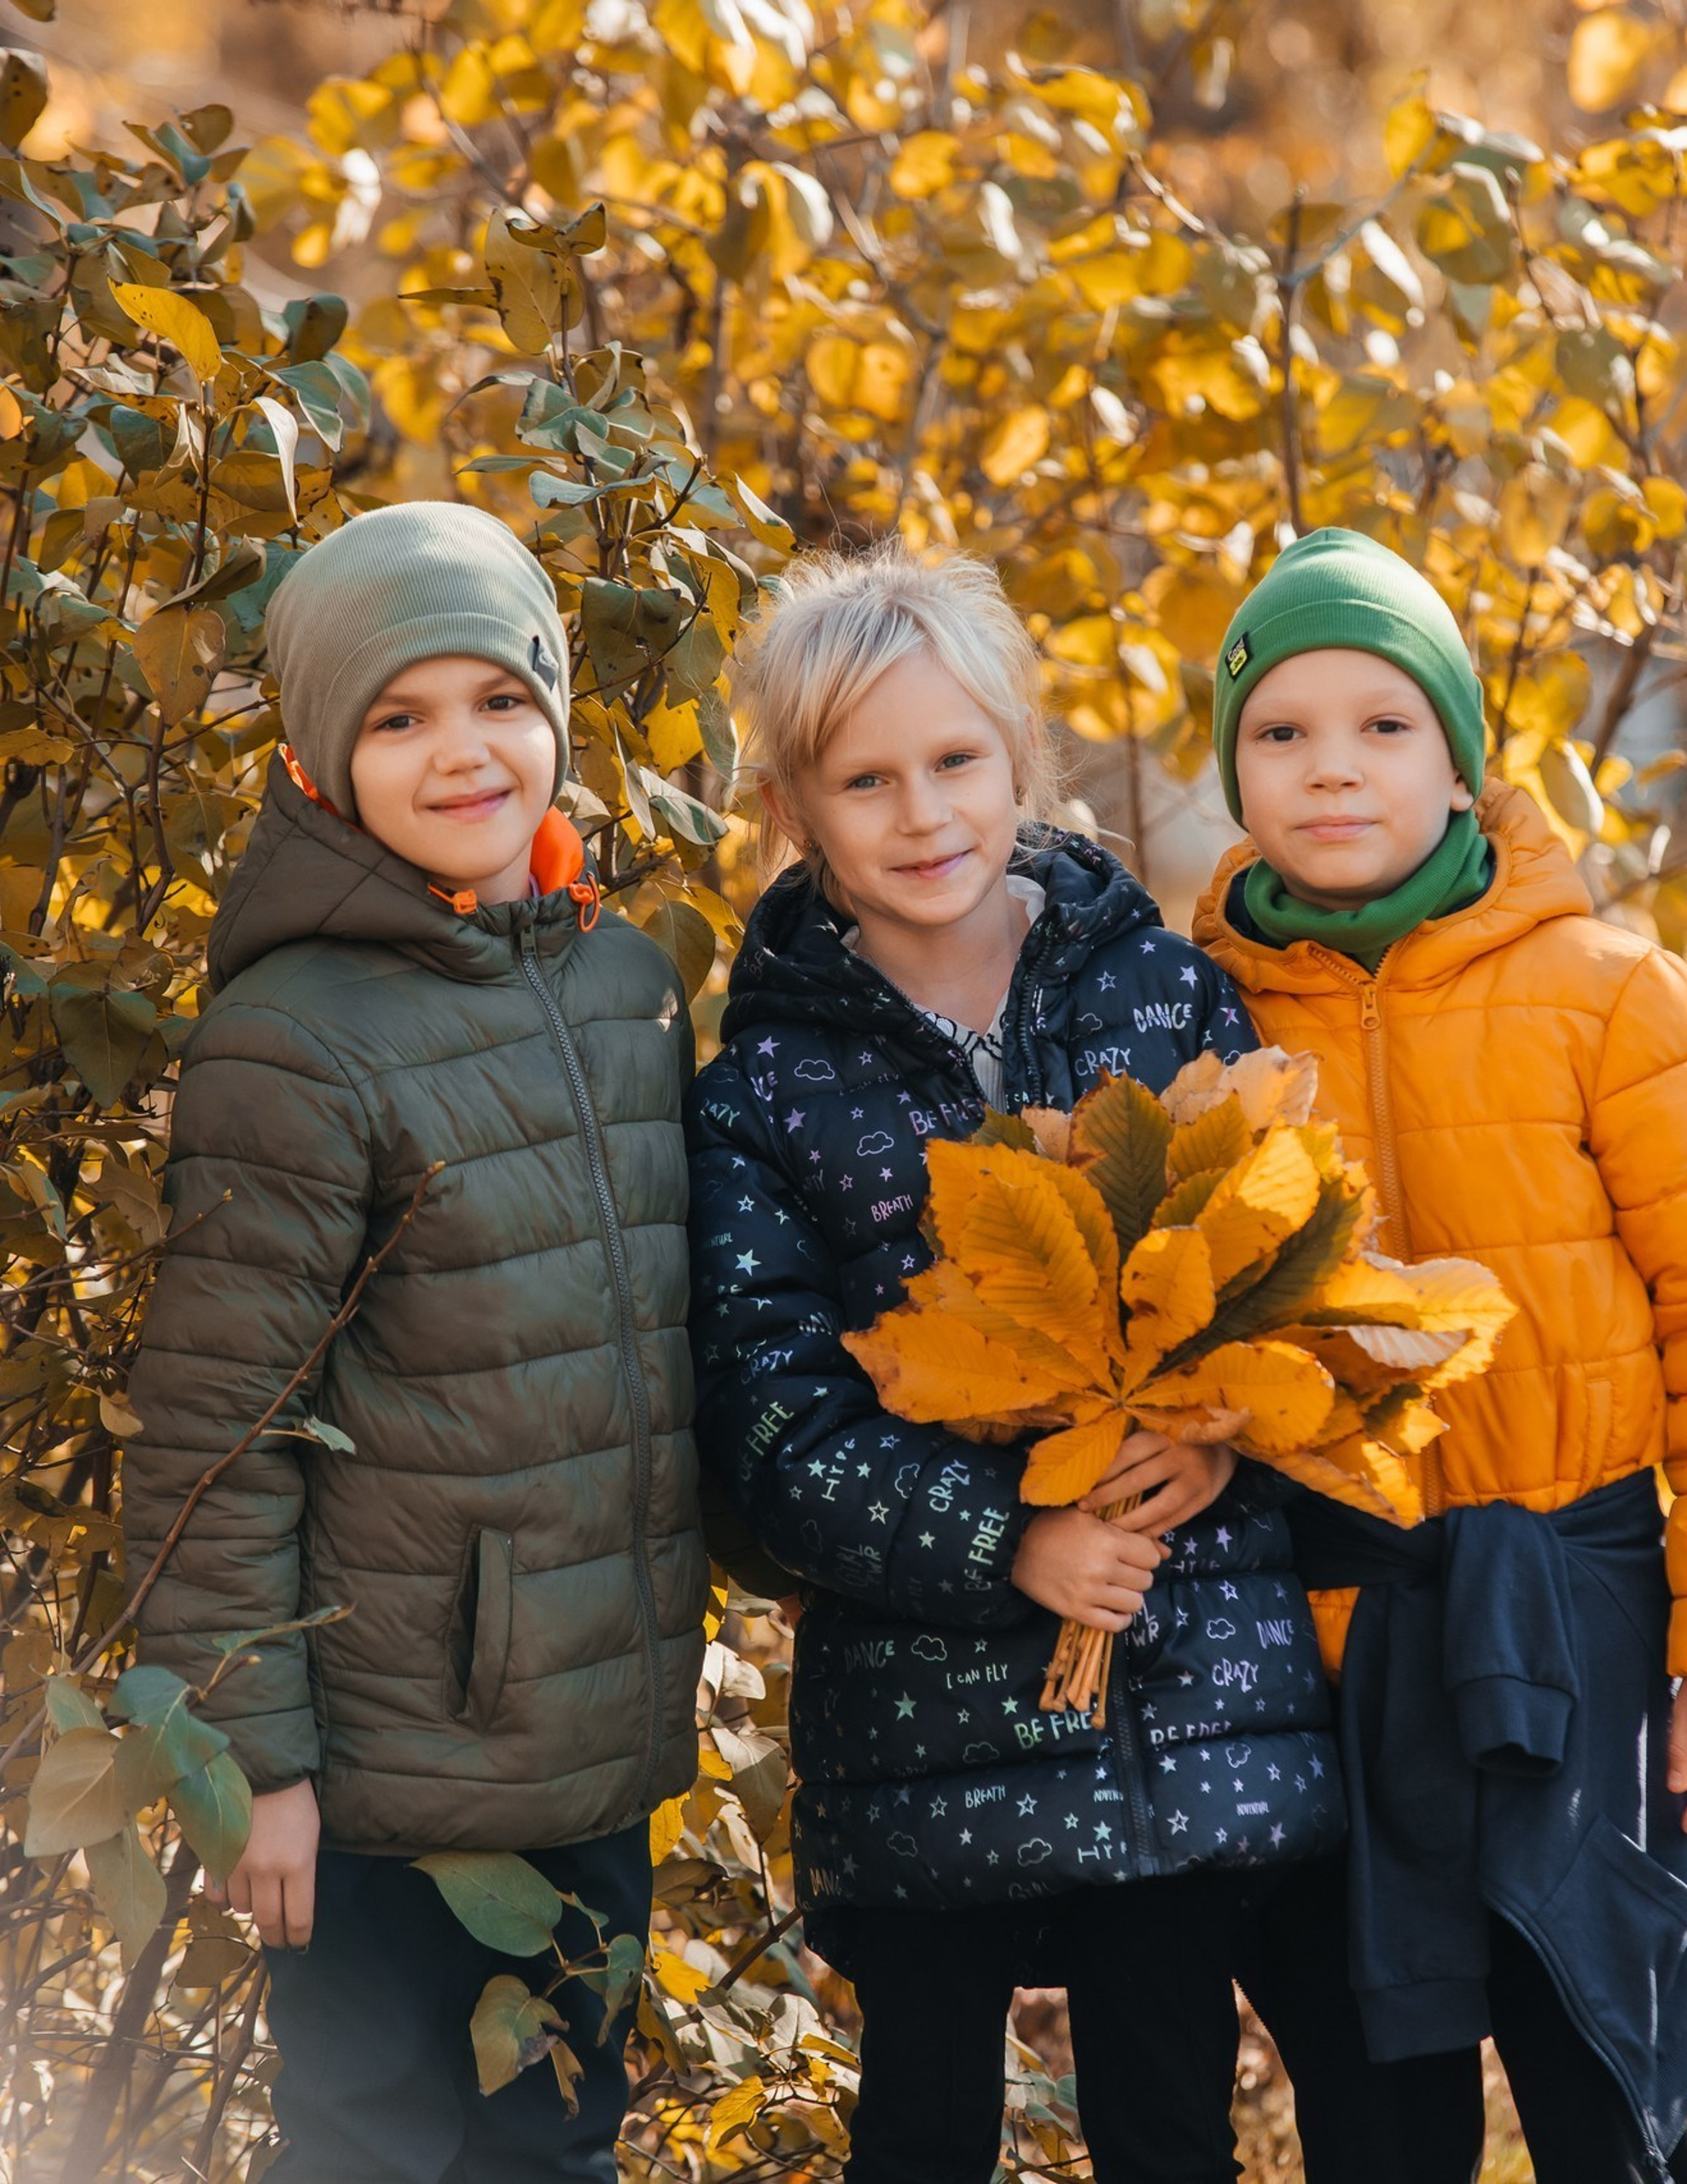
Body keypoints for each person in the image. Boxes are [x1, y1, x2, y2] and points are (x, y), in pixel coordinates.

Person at [684, 542, 1341, 2184]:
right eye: (868, 780)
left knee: (1170, 2112)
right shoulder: (763, 1090)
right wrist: (1011, 1543)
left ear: (1023, 762)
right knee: (922, 2127)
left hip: (1174, 1689)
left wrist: (1212, 1438)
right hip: (925, 1713)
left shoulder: (1162, 991)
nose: (924, 816)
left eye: (958, 762)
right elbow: (777, 1426)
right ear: (794, 809)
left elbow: (1270, 1264)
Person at [1191, 526, 1687, 2184]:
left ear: (1464, 765)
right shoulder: (1186, 1015)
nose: (1332, 767)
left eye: (1383, 725)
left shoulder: (1611, 1000)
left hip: (1578, 1615)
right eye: (1282, 730)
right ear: (1233, 771)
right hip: (1320, 1638)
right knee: (1371, 2106)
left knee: (1598, 2082)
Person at [125, 502, 707, 2183]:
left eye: (499, 699)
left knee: (556, 2141)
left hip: (584, 1740)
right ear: (324, 752)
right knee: (369, 2144)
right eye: (399, 716)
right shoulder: (296, 1034)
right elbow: (217, 1428)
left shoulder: (619, 984)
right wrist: (256, 1761)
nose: (463, 749)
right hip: (378, 1772)